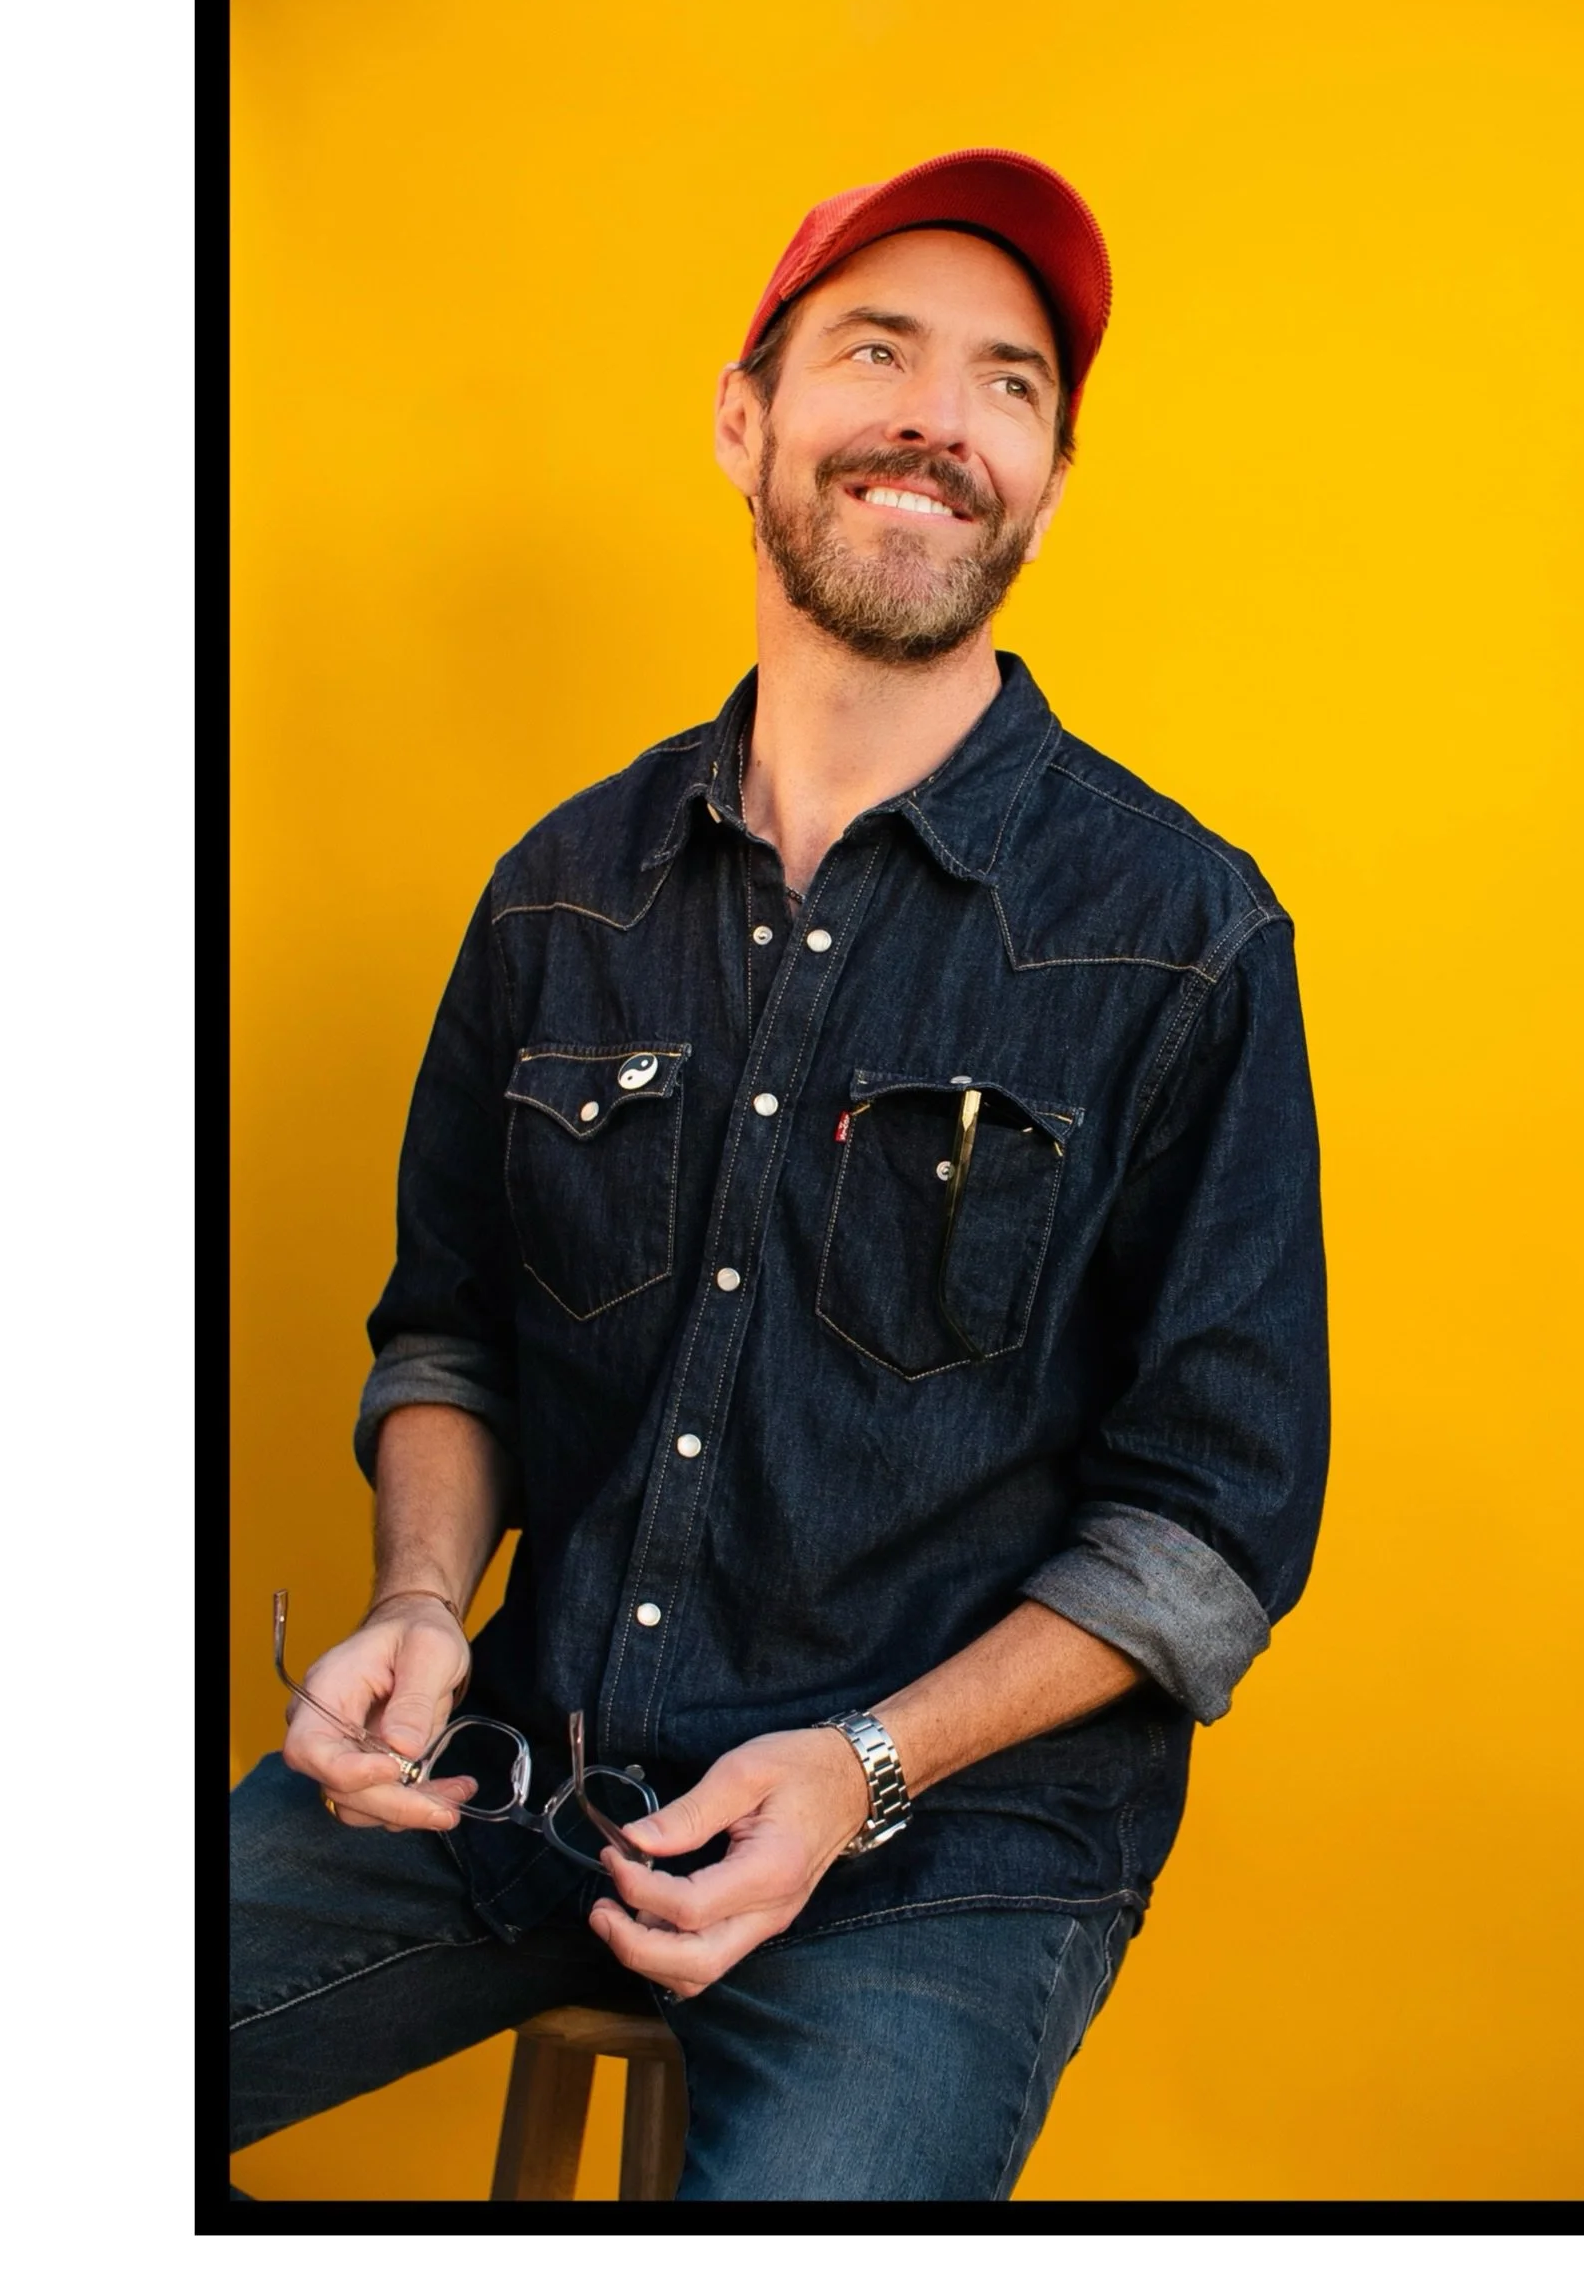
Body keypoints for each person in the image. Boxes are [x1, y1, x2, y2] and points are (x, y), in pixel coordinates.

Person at [229, 147, 1331, 2204]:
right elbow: (452, 1340)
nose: (941, 419)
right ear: (745, 422)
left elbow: (1210, 1525)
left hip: (943, 1859)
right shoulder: (560, 894)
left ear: (1049, 488)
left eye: (1009, 383)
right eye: (876, 352)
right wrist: (417, 1605)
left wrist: (865, 1767)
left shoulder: (1183, 934)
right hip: (522, 1781)